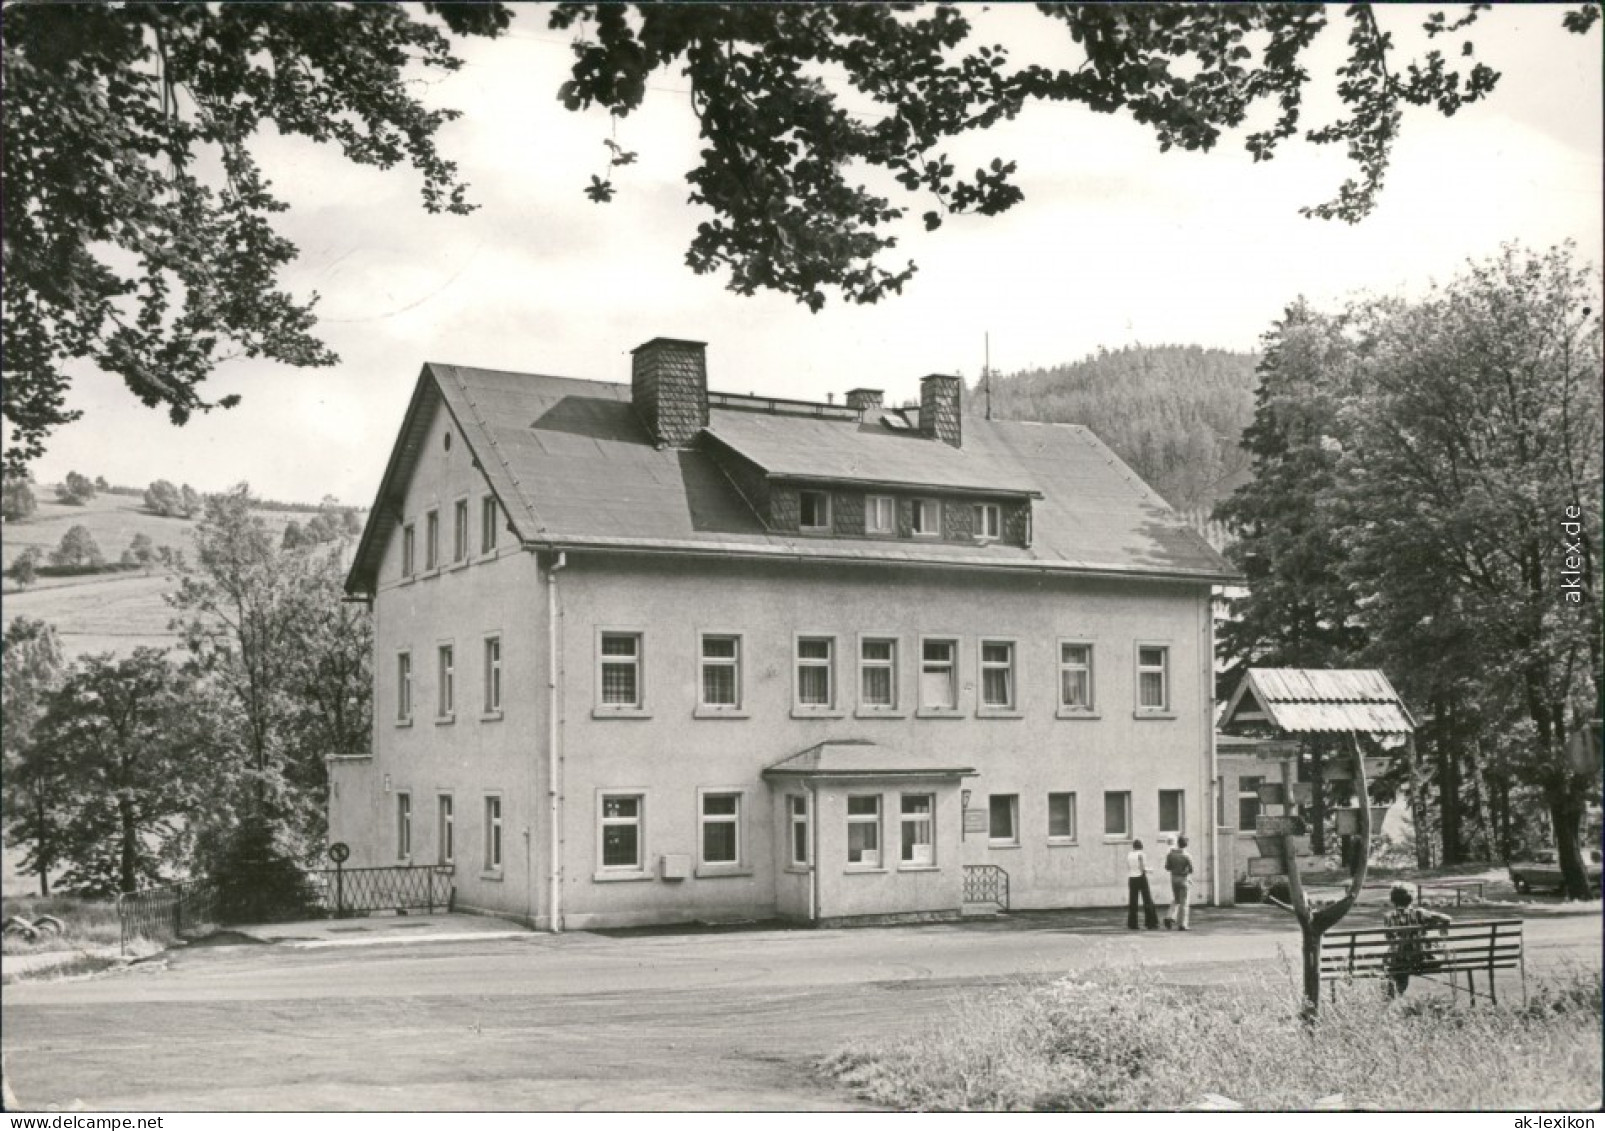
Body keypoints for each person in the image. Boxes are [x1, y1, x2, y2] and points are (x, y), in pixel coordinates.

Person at [1382, 882, 1451, 996]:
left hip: (1398, 961)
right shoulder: (1419, 913)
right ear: (1411, 899)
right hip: (1421, 960)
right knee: (1410, 955)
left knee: (1393, 961)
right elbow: (1446, 919)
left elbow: (1389, 938)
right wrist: (1440, 935)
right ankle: (1395, 992)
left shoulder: (1388, 917)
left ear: (1393, 899)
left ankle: (1393, 994)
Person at [1126, 839, 1159, 930]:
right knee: (1147, 900)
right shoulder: (1141, 854)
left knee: (1133, 901)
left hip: (1132, 878)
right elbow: (1142, 868)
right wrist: (1150, 870)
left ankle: (1132, 923)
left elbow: (1128, 866)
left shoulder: (1129, 855)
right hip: (1141, 877)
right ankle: (1150, 922)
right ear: (1141, 846)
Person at [1163, 835, 1195, 931]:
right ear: (1186, 844)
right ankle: (1182, 924)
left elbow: (1167, 867)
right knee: (1184, 902)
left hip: (1174, 878)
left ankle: (1169, 916)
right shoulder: (1187, 856)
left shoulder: (1170, 854)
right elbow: (1191, 870)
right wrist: (1184, 872)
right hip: (1183, 879)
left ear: (1178, 843)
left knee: (1176, 900)